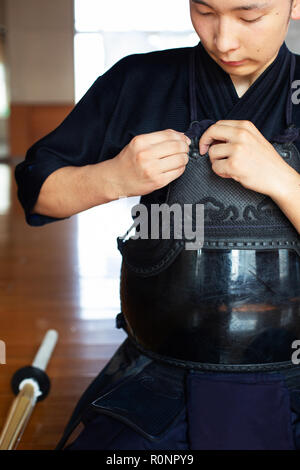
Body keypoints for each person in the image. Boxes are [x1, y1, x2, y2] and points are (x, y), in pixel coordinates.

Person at [15, 0, 300, 450]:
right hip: (161, 371)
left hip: (292, 378)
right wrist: (112, 177)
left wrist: (284, 183)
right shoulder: (139, 82)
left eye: (249, 17)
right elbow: (38, 191)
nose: (223, 40)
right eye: (204, 11)